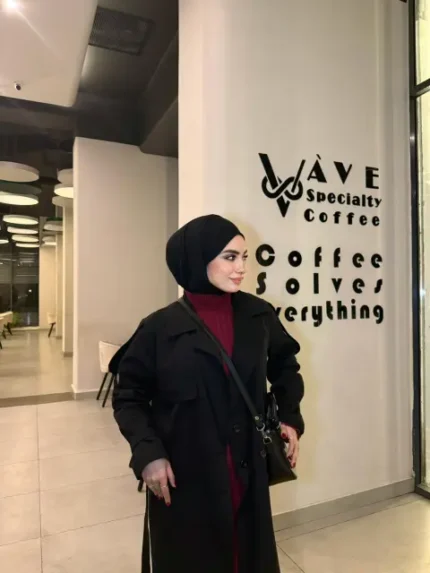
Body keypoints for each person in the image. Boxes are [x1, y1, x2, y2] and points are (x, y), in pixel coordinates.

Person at [112, 214, 305, 573]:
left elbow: (286, 367)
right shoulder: (158, 328)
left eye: (244, 257)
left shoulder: (258, 315)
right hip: (186, 475)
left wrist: (289, 418)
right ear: (197, 259)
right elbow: (129, 398)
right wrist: (148, 452)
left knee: (248, 556)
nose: (241, 268)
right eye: (230, 257)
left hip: (247, 468)